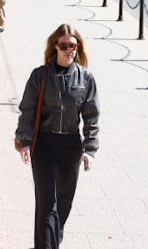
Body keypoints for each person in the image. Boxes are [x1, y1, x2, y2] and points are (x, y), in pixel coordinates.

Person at [16, 24, 99, 249]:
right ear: (55, 46)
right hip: (43, 145)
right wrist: (25, 142)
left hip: (70, 147)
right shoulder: (40, 76)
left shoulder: (86, 78)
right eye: (63, 45)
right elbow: (27, 111)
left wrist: (90, 149)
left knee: (63, 204)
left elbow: (91, 115)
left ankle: (50, 243)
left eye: (72, 46)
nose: (68, 50)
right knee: (46, 205)